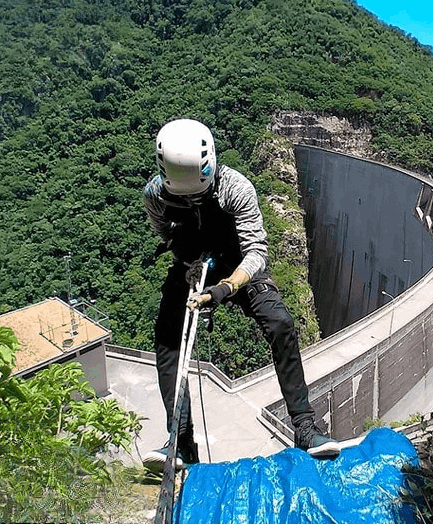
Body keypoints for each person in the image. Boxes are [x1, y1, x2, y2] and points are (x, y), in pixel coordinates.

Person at [141, 118, 340, 471]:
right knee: (168, 339)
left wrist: (225, 287)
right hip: (193, 266)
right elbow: (165, 233)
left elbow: (256, 252)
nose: (191, 199)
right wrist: (190, 265)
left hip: (239, 266)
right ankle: (181, 441)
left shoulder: (235, 187)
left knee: (280, 324)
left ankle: (306, 428)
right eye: (184, 196)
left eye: (198, 194)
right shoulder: (156, 194)